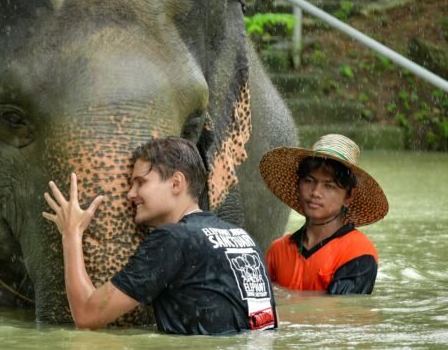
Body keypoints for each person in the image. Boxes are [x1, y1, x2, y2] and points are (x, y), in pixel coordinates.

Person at [42, 136, 277, 334]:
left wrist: (71, 233)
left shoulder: (173, 238)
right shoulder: (243, 238)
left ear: (176, 183)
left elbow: (86, 315)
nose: (130, 194)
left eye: (140, 182)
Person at [259, 134, 389, 294]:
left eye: (329, 186)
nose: (315, 192)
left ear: (348, 197)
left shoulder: (358, 252)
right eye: (309, 181)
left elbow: (340, 312)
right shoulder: (278, 250)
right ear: (298, 185)